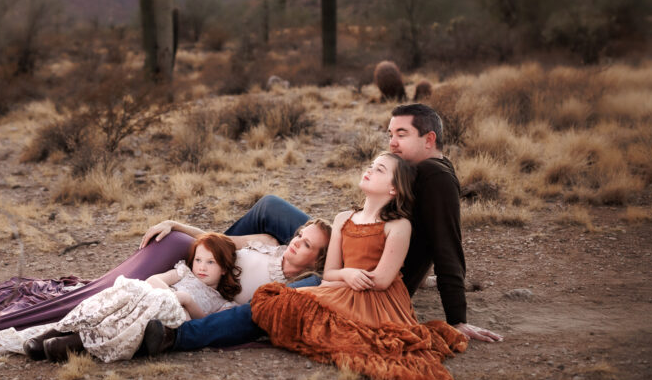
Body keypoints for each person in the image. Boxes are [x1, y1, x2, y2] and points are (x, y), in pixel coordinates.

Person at [140, 102, 500, 355]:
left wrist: (458, 319)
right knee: (270, 207)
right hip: (351, 242)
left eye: (401, 135)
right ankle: (210, 261)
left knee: (278, 304)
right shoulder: (413, 167)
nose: (391, 143)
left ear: (429, 140)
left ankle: (183, 333)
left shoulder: (437, 178)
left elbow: (448, 247)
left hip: (368, 275)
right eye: (390, 133)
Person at [251, 152, 468, 380]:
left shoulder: (399, 225)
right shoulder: (343, 218)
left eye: (379, 169)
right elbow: (330, 273)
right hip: (344, 284)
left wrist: (352, 278)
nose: (369, 170)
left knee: (376, 344)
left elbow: (383, 280)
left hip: (378, 299)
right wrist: (347, 273)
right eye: (371, 165)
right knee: (275, 301)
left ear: (394, 188)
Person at [0, 219, 332, 356]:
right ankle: (56, 332)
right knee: (127, 294)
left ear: (317, 260)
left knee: (144, 312)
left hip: (204, 299)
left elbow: (232, 315)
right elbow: (217, 240)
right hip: (186, 280)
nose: (297, 241)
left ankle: (69, 344)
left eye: (307, 243)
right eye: (299, 234)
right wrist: (175, 223)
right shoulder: (268, 239)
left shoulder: (287, 291)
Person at [23, 233, 242, 363]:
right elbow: (155, 280)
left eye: (210, 262)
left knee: (137, 318)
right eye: (199, 260)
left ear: (224, 268)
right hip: (154, 298)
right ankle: (54, 333)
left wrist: (186, 301)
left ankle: (70, 344)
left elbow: (205, 325)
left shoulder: (222, 303)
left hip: (174, 314)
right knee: (116, 297)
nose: (201, 267)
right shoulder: (184, 273)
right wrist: (171, 295)